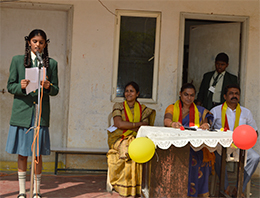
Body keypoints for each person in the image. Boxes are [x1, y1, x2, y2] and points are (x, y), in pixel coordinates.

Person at [5, 29, 59, 198]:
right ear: (29, 42)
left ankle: (36, 191)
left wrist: (49, 86)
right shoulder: (17, 61)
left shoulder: (51, 64)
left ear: (45, 44)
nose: (38, 44)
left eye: (41, 42)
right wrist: (20, 86)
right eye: (35, 41)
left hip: (40, 114)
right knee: (22, 153)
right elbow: (10, 86)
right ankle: (22, 191)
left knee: (37, 154)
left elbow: (56, 89)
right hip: (23, 113)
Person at [164, 83, 214, 197]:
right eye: (186, 94)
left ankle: (196, 194)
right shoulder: (172, 107)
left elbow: (207, 121)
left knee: (200, 158)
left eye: (192, 95)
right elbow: (166, 120)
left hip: (195, 146)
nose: (189, 98)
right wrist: (173, 124)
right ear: (180, 94)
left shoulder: (200, 110)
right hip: (176, 145)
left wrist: (206, 124)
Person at [107, 81, 156, 197]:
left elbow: (146, 126)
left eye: (132, 91)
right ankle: (123, 186)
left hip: (137, 137)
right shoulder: (118, 106)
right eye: (127, 91)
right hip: (118, 137)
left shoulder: (144, 109)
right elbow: (119, 124)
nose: (128, 93)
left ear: (137, 93)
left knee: (138, 147)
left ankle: (138, 186)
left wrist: (129, 124)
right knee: (128, 147)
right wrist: (136, 124)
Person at [210, 84, 259, 197]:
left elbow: (255, 131)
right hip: (221, 145)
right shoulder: (216, 111)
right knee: (216, 156)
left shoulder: (246, 112)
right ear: (225, 96)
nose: (234, 96)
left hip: (240, 145)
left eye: (236, 93)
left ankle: (239, 188)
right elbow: (209, 128)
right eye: (231, 93)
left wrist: (248, 138)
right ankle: (225, 187)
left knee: (255, 157)